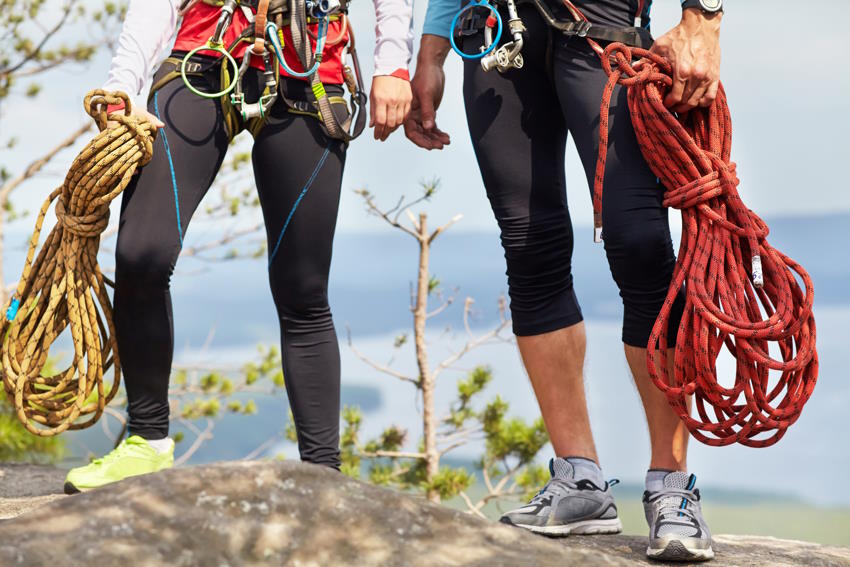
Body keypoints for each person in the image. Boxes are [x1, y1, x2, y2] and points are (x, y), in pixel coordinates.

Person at [403, 0, 723, 561]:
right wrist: (432, 49)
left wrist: (704, 19)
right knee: (529, 246)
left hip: (601, 22)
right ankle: (580, 482)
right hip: (495, 32)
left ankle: (672, 488)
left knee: (642, 244)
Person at [64, 0, 413, 493]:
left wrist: (393, 63)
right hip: (204, 52)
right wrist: (125, 80)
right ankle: (146, 441)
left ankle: (321, 476)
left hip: (307, 57)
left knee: (302, 287)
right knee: (141, 253)